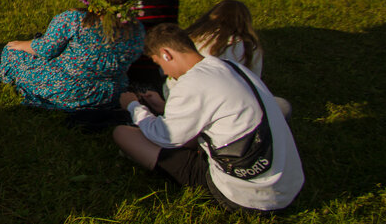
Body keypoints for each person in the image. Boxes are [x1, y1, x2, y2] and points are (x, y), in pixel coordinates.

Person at [112, 24, 304, 213]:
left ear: (166, 54)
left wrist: (133, 106)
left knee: (123, 134)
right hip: (287, 183)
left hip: (245, 196)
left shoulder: (190, 84)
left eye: (159, 64)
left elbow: (164, 137)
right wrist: (163, 107)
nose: (164, 73)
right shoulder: (230, 67)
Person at [0, 0, 146, 110]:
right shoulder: (137, 29)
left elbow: (46, 49)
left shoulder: (74, 19)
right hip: (112, 94)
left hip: (68, 90)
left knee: (11, 53)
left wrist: (19, 44)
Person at [182, 0, 291, 117]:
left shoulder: (194, 37)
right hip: (231, 105)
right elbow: (255, 83)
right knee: (282, 106)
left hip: (189, 99)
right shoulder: (249, 46)